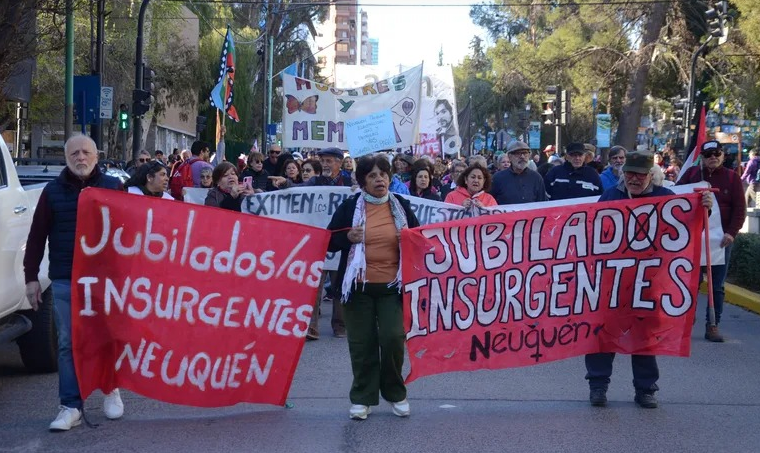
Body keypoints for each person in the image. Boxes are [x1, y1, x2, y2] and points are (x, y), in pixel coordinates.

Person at [585, 151, 713, 409]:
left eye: (639, 175)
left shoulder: (665, 198)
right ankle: (598, 385)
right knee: (603, 333)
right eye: (629, 173)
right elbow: (593, 231)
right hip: (613, 280)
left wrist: (704, 209)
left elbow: (687, 227)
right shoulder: (611, 196)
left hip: (649, 282)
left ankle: (645, 389)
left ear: (651, 176)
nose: (633, 178)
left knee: (644, 335)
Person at [23, 134, 125, 431]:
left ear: (97, 155)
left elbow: (130, 232)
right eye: (74, 153)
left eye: (86, 152)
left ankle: (110, 389)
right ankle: (70, 405)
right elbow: (36, 237)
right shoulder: (52, 192)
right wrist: (31, 279)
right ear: (66, 158)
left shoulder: (113, 188)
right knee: (68, 343)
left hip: (105, 281)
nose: (80, 158)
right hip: (67, 279)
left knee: (107, 337)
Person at [326, 153, 420, 420]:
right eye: (372, 175)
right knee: (362, 344)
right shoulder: (349, 207)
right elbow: (329, 240)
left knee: (392, 339)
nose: (379, 179)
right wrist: (347, 237)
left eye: (383, 174)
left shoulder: (401, 205)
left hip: (393, 287)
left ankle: (395, 393)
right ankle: (362, 398)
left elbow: (421, 238)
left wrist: (409, 238)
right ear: (363, 181)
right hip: (358, 289)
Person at [676, 140, 746, 342]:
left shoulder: (732, 179)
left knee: (716, 286)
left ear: (723, 155)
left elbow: (739, 210)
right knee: (691, 283)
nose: (713, 157)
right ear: (702, 158)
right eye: (708, 154)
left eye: (716, 153)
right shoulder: (691, 176)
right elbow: (676, 198)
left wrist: (731, 233)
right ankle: (687, 321)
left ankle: (712, 324)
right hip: (693, 240)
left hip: (721, 241)